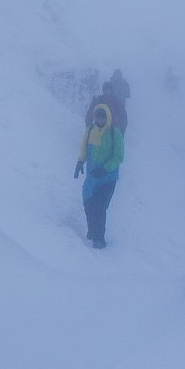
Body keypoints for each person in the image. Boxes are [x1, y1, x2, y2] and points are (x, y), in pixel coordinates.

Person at [74, 70, 129, 248]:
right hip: (91, 176)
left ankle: (99, 239)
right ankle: (92, 231)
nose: (98, 118)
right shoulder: (90, 130)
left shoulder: (115, 134)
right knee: (88, 203)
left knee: (99, 207)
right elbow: (83, 146)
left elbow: (118, 156)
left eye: (102, 116)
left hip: (107, 178)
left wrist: (105, 169)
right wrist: (79, 162)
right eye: (97, 115)